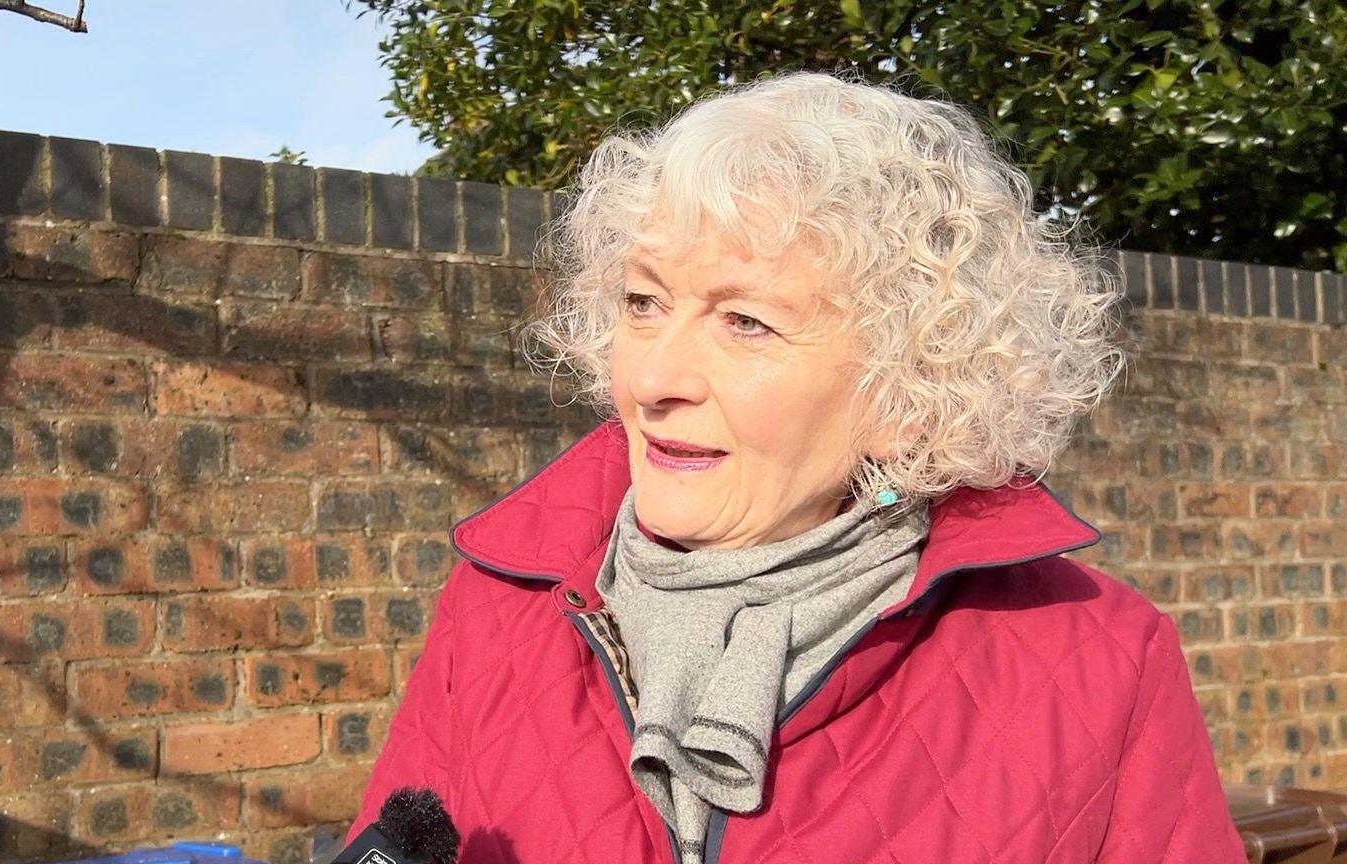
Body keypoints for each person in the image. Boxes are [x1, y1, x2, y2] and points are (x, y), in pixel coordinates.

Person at [345, 72, 1247, 864]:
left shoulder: (1097, 662)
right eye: (643, 301)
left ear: (912, 380)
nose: (654, 379)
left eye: (746, 322)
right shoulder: (498, 606)